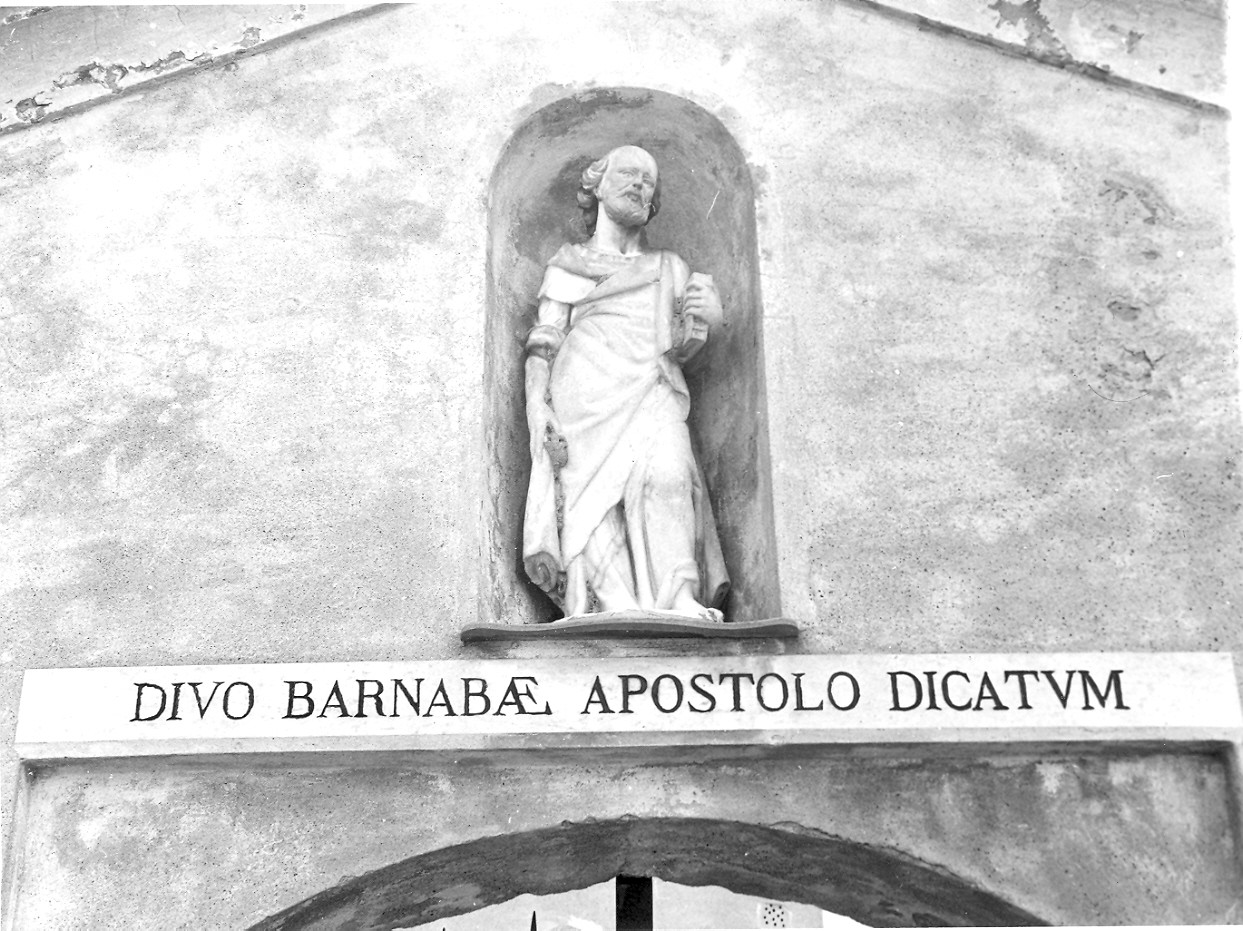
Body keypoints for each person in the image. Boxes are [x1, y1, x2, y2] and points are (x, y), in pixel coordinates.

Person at [522, 144, 729, 620]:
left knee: (669, 475)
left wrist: (707, 321)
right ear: (596, 186)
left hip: (651, 388)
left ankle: (675, 595)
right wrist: (539, 407)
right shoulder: (568, 263)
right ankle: (610, 605)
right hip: (582, 396)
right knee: (589, 502)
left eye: (649, 181)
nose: (640, 184)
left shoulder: (669, 268)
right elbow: (545, 343)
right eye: (630, 174)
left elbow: (679, 345)